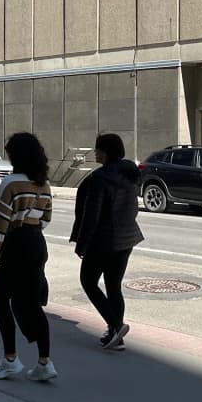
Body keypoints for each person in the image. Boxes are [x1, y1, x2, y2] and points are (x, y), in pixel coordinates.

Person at [0, 132, 57, 382]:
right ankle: (45, 362)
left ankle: (10, 359)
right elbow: (46, 219)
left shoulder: (11, 183)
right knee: (32, 304)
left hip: (16, 244)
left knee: (1, 299)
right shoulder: (43, 184)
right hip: (36, 244)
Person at [70, 132, 144, 351]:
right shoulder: (129, 175)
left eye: (98, 149)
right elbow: (133, 208)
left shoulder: (100, 179)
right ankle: (116, 337)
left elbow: (91, 216)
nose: (95, 153)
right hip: (126, 239)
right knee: (113, 286)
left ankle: (116, 325)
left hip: (103, 241)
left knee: (88, 281)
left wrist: (81, 243)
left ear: (105, 152)